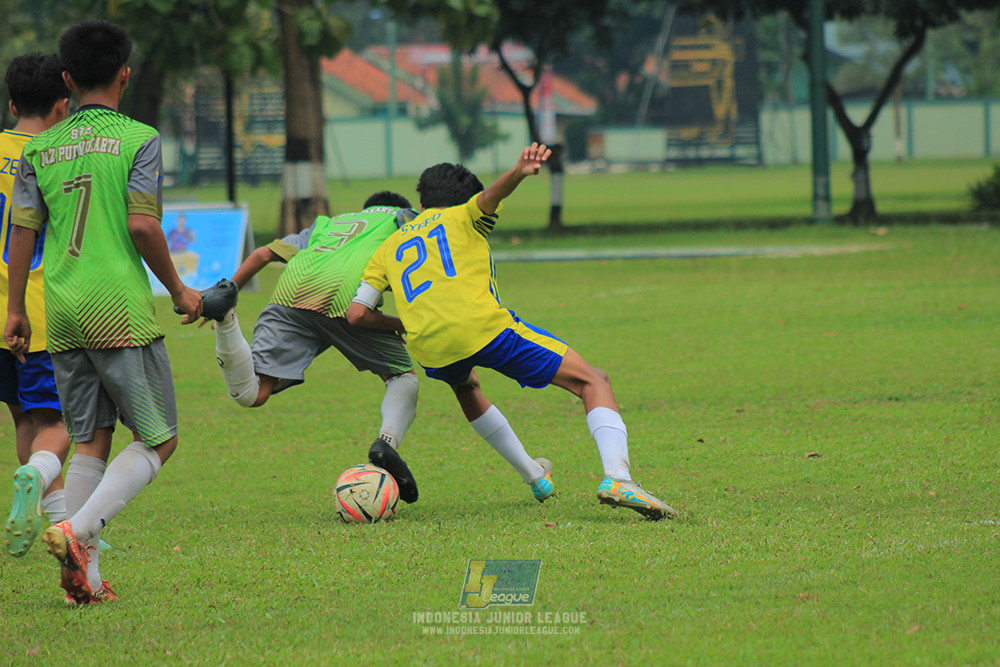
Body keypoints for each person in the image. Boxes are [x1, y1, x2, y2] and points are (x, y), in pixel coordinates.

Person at [5, 20, 227, 605]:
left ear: (68, 78)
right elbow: (141, 222)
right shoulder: (139, 138)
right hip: (118, 310)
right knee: (160, 440)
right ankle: (75, 532)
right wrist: (180, 291)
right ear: (125, 74)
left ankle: (85, 582)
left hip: (64, 311)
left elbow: (22, 230)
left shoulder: (42, 148)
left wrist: (14, 310)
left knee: (92, 442)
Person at [347, 144, 676, 519]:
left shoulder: (388, 246)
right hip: (482, 328)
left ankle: (533, 473)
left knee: (465, 385)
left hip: (430, 348)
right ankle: (619, 478)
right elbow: (490, 197)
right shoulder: (464, 216)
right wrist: (519, 171)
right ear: (461, 201)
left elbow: (357, 315)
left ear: (421, 205)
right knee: (593, 381)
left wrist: (405, 324)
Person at [195, 191, 421, 503]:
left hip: (292, 290)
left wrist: (230, 288)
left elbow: (262, 255)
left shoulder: (330, 223)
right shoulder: (403, 218)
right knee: (402, 377)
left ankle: (226, 318)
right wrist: (406, 323)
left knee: (253, 394)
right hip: (345, 295)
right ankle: (386, 441)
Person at [1, 53, 74, 558]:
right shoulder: (55, 155)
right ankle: (42, 489)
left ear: (11, 104)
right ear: (62, 105)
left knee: (23, 419)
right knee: (62, 423)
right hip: (39, 312)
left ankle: (59, 526)